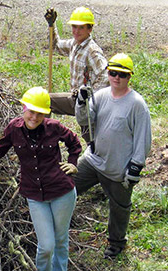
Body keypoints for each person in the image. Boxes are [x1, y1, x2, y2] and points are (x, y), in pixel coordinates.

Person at [0, 87, 82, 271]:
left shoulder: (54, 127)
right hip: (34, 195)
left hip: (62, 192)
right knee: (46, 246)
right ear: (24, 108)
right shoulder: (14, 129)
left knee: (60, 241)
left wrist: (73, 163)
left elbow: (74, 142)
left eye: (40, 114)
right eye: (31, 112)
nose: (34, 117)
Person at [74, 53, 152, 258]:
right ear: (108, 73)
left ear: (130, 77)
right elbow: (85, 120)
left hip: (119, 168)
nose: (117, 78)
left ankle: (117, 243)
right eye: (113, 73)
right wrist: (81, 103)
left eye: (123, 75)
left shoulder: (137, 104)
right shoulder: (100, 96)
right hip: (94, 160)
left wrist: (135, 166)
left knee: (120, 208)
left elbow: (143, 138)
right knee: (67, 187)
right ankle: (58, 223)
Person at [44, 6, 109, 142]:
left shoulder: (92, 50)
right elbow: (55, 45)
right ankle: (42, 141)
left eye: (81, 27)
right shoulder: (75, 44)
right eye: (74, 27)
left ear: (89, 29)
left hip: (85, 102)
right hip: (75, 99)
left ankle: (99, 156)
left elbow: (105, 75)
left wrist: (90, 97)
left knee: (92, 140)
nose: (76, 31)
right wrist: (52, 25)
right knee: (45, 101)